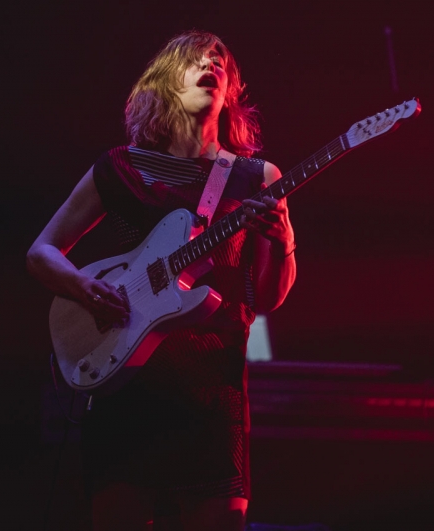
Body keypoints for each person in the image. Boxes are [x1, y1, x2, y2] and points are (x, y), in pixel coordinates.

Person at [26, 31, 297, 531]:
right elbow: (41, 253)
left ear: (230, 89)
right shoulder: (121, 168)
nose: (211, 63)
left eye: (220, 60)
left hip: (212, 396)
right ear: (167, 81)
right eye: (197, 58)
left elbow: (271, 297)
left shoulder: (257, 178)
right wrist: (84, 289)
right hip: (125, 384)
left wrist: (282, 241)